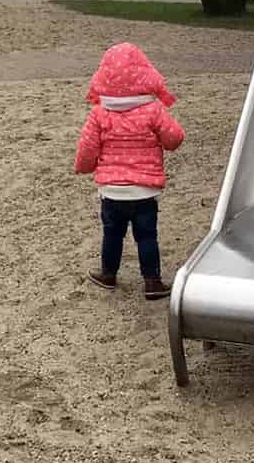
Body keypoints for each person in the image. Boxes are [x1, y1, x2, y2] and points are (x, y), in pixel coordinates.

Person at [74, 43, 185, 300]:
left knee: (112, 234)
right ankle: (152, 281)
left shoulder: (99, 114)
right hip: (144, 190)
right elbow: (174, 139)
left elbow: (88, 148)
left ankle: (108, 274)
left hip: (112, 191)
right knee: (147, 236)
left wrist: (83, 167)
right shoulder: (152, 110)